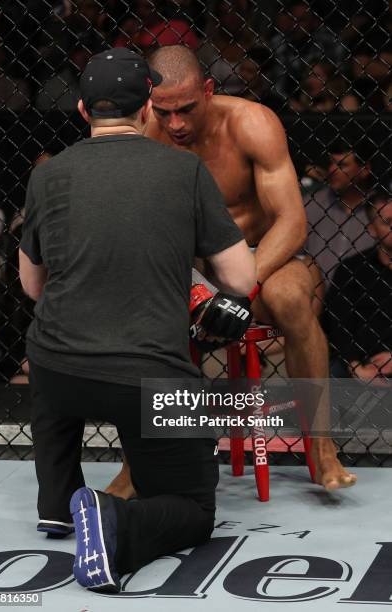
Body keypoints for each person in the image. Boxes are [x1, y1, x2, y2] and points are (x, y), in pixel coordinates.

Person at [19, 48, 258, 592]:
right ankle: (113, 520)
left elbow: (33, 287)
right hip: (148, 377)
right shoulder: (183, 169)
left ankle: (55, 503)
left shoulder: (48, 176)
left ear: (82, 110)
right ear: (148, 107)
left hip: (58, 373)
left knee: (52, 346)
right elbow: (241, 279)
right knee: (194, 510)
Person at [106, 44, 357, 498]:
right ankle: (135, 466)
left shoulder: (251, 123)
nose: (176, 124)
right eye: (164, 112)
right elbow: (140, 229)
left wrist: (241, 287)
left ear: (207, 90)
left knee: (288, 300)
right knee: (144, 315)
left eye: (186, 108)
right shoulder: (145, 137)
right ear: (148, 102)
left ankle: (321, 452)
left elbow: (293, 222)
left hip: (267, 256)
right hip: (194, 265)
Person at [323, 190, 392, 381]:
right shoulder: (352, 269)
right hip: (359, 363)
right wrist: (355, 367)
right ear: (372, 228)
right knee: (333, 374)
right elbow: (337, 325)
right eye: (387, 222)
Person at [305, 137, 376, 286]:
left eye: (342, 165)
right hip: (313, 297)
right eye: (331, 163)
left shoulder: (381, 211)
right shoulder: (310, 204)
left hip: (363, 299)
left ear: (365, 170)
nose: (332, 170)